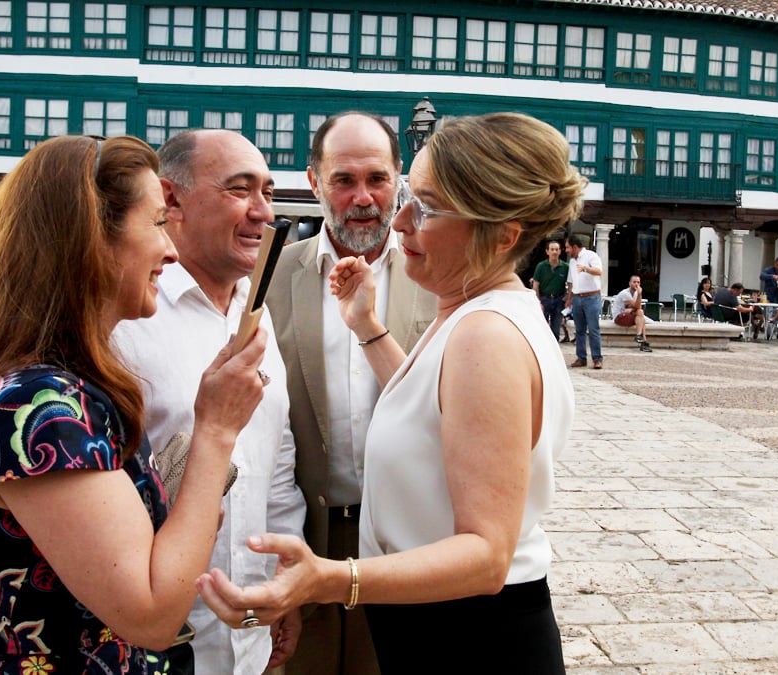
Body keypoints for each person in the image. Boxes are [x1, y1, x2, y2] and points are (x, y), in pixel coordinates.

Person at [0, 130, 308, 675]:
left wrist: (279, 581)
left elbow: (277, 465)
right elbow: (147, 614)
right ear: (93, 240)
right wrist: (216, 430)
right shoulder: (42, 394)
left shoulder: (245, 312)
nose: (167, 248)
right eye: (154, 224)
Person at [197, 111, 583, 674]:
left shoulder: (485, 335)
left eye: (425, 207)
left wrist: (332, 577)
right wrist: (369, 329)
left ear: (501, 234)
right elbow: (435, 414)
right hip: (445, 622)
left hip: (467, 636)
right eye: (409, 198)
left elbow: (486, 555)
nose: (398, 221)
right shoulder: (476, 315)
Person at [265, 112, 436, 675]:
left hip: (403, 544)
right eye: (343, 180)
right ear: (314, 182)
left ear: (399, 178)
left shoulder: (439, 278)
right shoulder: (268, 276)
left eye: (377, 179)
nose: (363, 198)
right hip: (302, 539)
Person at [565, 233, 603, 369]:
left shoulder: (591, 256)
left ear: (575, 247)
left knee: (593, 329)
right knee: (579, 330)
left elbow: (599, 271)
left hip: (591, 297)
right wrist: (569, 299)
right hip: (577, 297)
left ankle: (597, 358)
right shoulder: (572, 261)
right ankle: (581, 358)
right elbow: (571, 281)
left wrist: (585, 268)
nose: (566, 250)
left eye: (568, 248)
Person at [531, 240, 568, 341]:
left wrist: (567, 298)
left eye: (556, 249)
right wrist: (538, 302)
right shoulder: (541, 266)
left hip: (559, 300)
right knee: (541, 328)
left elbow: (570, 284)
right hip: (544, 299)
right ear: (547, 251)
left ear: (560, 251)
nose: (554, 252)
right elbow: (536, 285)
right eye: (552, 249)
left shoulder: (565, 267)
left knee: (556, 330)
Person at [611, 274, 653, 352]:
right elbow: (637, 306)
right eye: (634, 282)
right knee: (641, 316)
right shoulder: (625, 293)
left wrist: (632, 309)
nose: (636, 284)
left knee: (640, 314)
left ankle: (641, 340)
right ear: (630, 283)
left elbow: (638, 308)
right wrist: (640, 295)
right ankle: (643, 341)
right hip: (619, 317)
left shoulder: (636, 293)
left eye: (638, 282)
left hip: (628, 315)